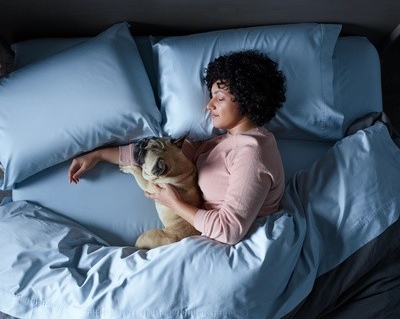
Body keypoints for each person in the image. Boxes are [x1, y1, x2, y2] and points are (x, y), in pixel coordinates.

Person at [68, 50, 287, 245]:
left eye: (219, 98)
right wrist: (98, 155)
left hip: (236, 250)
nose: (209, 105)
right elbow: (155, 153)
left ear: (248, 99)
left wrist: (175, 203)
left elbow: (228, 230)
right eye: (211, 97)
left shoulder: (253, 152)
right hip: (208, 241)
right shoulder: (218, 143)